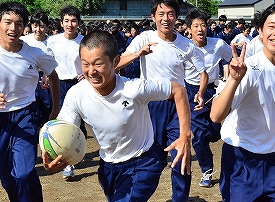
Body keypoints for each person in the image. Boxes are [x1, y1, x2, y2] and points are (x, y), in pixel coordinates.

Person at [44, 30, 191, 201]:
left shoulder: (134, 89)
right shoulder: (76, 94)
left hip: (143, 164)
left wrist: (184, 135)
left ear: (115, 62)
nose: (91, 71)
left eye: (98, 64)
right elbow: (63, 130)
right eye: (85, 64)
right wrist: (54, 155)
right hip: (108, 167)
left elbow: (178, 90)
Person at [210, 2, 275, 202]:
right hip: (242, 157)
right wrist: (235, 80)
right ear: (260, 31)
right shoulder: (247, 68)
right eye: (271, 26)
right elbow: (216, 115)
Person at [117, 0, 206, 202]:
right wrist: (138, 54)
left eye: (171, 14)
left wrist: (201, 93)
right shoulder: (144, 38)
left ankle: (180, 199)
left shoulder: (187, 45)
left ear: (177, 17)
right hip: (150, 107)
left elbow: (203, 72)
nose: (166, 18)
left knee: (182, 156)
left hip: (177, 106)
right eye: (161, 14)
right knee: (151, 160)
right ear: (153, 16)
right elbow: (118, 63)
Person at [0, 1, 60, 201]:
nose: (13, 28)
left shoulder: (34, 53)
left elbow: (53, 76)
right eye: (8, 22)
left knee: (25, 173)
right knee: (8, 179)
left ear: (24, 27)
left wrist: (55, 109)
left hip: (25, 116)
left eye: (19, 24)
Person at [184, 8, 232, 187]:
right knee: (199, 136)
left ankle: (213, 134)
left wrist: (228, 77)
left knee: (214, 132)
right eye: (195, 25)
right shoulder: (183, 47)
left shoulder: (218, 44)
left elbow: (230, 58)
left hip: (213, 91)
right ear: (188, 28)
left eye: (203, 25)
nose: (200, 29)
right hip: (191, 91)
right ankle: (206, 171)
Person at [46, 4, 85, 180]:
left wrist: (85, 74)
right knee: (63, 122)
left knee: (79, 122)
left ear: (79, 23)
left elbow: (89, 61)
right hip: (59, 85)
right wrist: (46, 77)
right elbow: (48, 62)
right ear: (61, 23)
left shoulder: (84, 41)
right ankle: (67, 164)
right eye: (67, 21)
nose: (70, 24)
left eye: (74, 21)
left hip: (78, 86)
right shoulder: (52, 41)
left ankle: (77, 151)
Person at [21, 9, 59, 125]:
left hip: (46, 77)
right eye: (35, 26)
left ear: (47, 27)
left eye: (41, 26)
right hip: (29, 77)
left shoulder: (52, 42)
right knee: (31, 106)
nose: (38, 30)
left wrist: (47, 76)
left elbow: (55, 63)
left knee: (47, 105)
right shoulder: (24, 41)